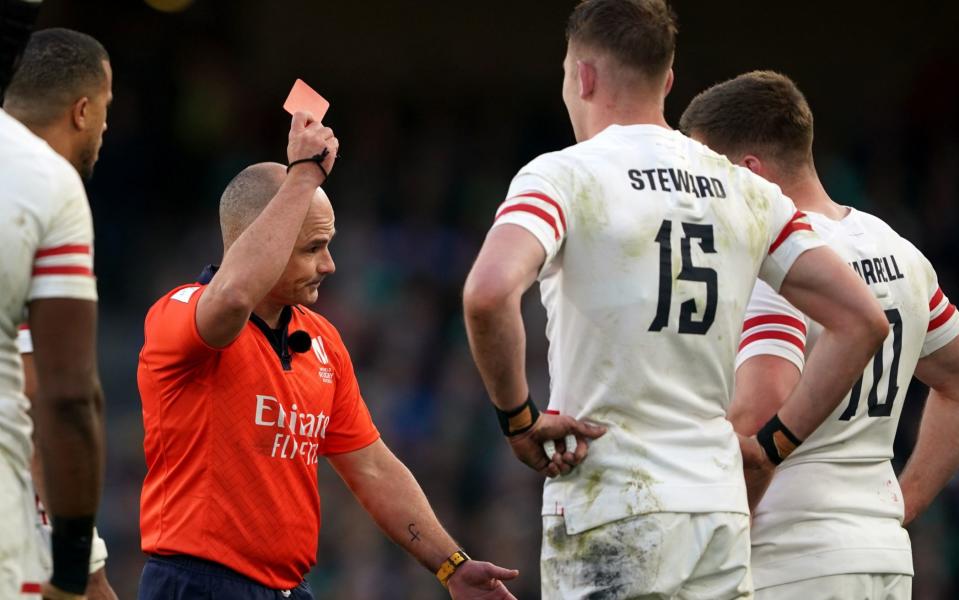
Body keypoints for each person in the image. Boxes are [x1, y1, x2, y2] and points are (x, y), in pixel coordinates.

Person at [462, 1, 890, 598]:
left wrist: (519, 419)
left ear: (582, 76)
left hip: (610, 502)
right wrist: (772, 447)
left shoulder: (564, 176)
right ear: (666, 82)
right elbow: (862, 321)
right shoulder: (746, 191)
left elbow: (487, 294)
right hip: (716, 509)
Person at [136, 113, 519, 600]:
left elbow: (372, 467)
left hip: (291, 590)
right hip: (198, 584)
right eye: (312, 247)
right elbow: (232, 298)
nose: (329, 265)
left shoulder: (322, 341)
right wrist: (302, 175)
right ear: (262, 238)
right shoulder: (176, 316)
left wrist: (450, 565)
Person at [679, 70, 959, 599]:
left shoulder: (780, 264)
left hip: (792, 558)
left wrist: (705, 544)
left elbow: (758, 414)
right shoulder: (896, 248)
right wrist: (902, 504)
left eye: (709, 178)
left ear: (750, 173)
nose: (704, 198)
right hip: (881, 556)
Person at [3, 28, 117, 600]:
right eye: (105, 111)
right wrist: (81, 564)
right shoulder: (48, 189)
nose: (104, 129)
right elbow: (54, 394)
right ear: (82, 110)